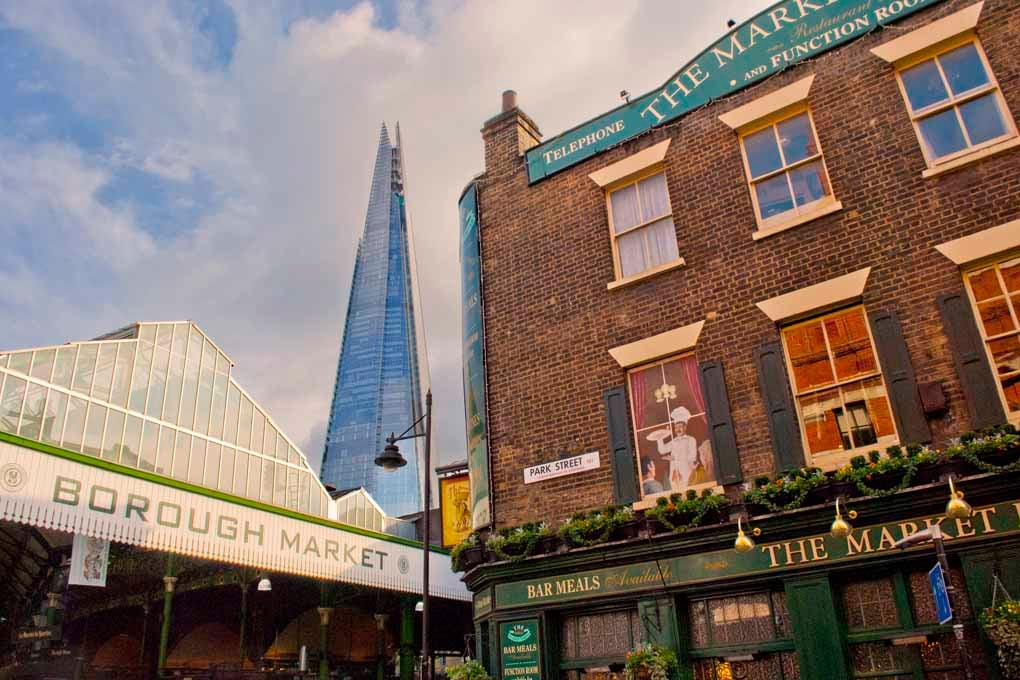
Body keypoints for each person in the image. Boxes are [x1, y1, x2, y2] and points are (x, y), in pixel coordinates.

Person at [657, 406, 699, 491]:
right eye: (676, 427)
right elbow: (662, 450)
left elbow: (692, 458)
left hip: (686, 474)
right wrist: (659, 437)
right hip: (674, 476)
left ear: (685, 427)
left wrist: (674, 458)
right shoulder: (674, 441)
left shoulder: (691, 440)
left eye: (680, 427)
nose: (677, 429)